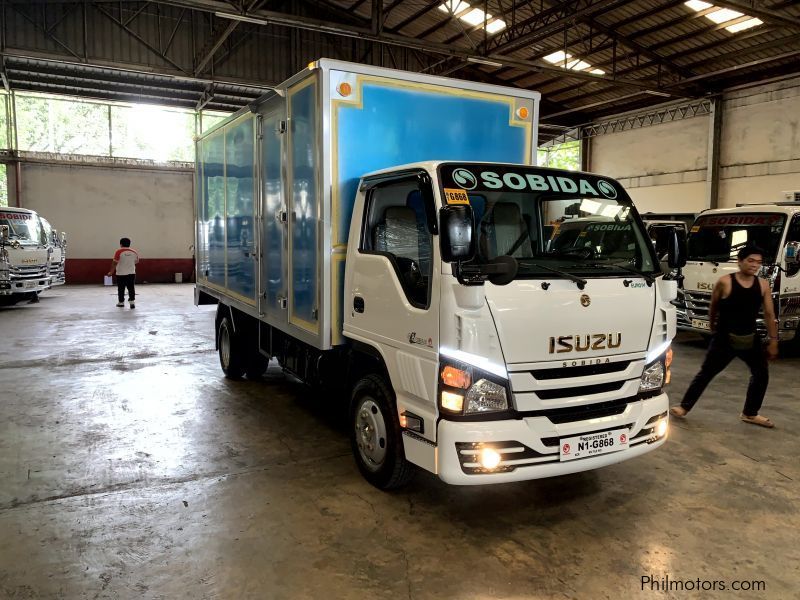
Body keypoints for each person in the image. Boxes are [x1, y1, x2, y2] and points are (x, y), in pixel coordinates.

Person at [670, 245, 778, 427]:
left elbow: (769, 313)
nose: (754, 265)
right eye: (750, 261)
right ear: (740, 261)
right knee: (706, 373)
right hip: (724, 338)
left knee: (761, 373)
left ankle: (750, 413)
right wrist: (713, 328)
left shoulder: (763, 285)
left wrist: (773, 340)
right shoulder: (725, 282)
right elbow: (713, 307)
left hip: (749, 338)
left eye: (758, 262)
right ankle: (684, 407)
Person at [108, 237, 139, 309]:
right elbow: (136, 261)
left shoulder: (118, 251)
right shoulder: (134, 252)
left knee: (121, 288)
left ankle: (121, 302)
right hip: (131, 273)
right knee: (131, 287)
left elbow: (114, 262)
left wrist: (111, 272)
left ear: (120, 244)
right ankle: (132, 302)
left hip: (121, 273)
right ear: (129, 244)